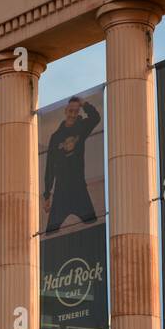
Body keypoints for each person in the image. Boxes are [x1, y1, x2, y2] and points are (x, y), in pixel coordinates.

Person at [42, 96, 101, 232]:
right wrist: (47, 195)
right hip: (61, 189)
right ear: (65, 111)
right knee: (51, 231)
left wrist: (84, 103)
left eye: (76, 111)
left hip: (79, 185)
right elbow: (50, 166)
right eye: (70, 111)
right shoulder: (56, 137)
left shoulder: (81, 127)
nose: (73, 115)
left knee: (92, 223)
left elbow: (95, 118)